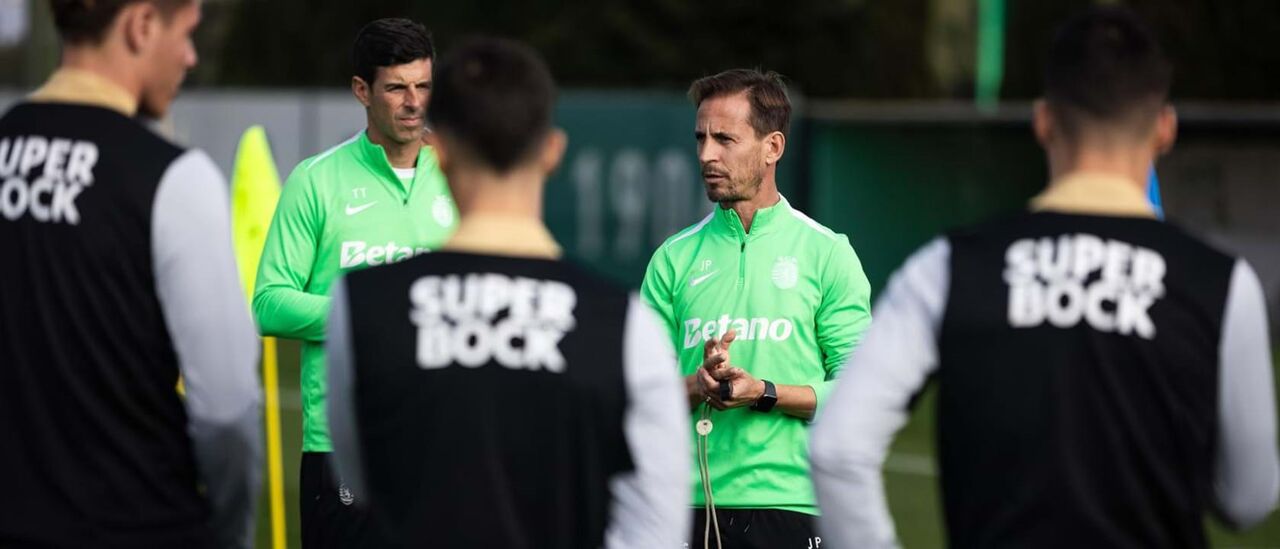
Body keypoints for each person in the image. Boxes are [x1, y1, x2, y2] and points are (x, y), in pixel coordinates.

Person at [810, 8, 1280, 549]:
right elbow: (1248, 500)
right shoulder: (1221, 284)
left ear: (1043, 121)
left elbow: (838, 448)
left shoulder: (946, 268)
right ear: (1165, 129)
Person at [324, 37, 690, 548]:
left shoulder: (360, 306)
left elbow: (362, 480)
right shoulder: (623, 324)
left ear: (441, 151)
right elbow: (653, 531)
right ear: (553, 151)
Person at [0, 0, 261, 547]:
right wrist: (229, 531)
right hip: (141, 524)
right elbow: (227, 410)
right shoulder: (173, 177)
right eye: (186, 33)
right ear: (141, 25)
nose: (190, 56)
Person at [640, 68, 872, 548]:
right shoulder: (672, 258)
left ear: (773, 148)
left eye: (725, 138)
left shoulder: (827, 253)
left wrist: (763, 392)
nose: (706, 154)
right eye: (700, 138)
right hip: (683, 506)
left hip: (790, 505)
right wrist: (696, 384)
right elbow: (639, 392)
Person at [251, 17, 457, 546]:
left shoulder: (463, 177)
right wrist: (368, 314)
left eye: (423, 86)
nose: (414, 102)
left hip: (444, 441)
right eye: (396, 88)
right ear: (362, 90)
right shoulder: (315, 181)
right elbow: (269, 304)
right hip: (341, 445)